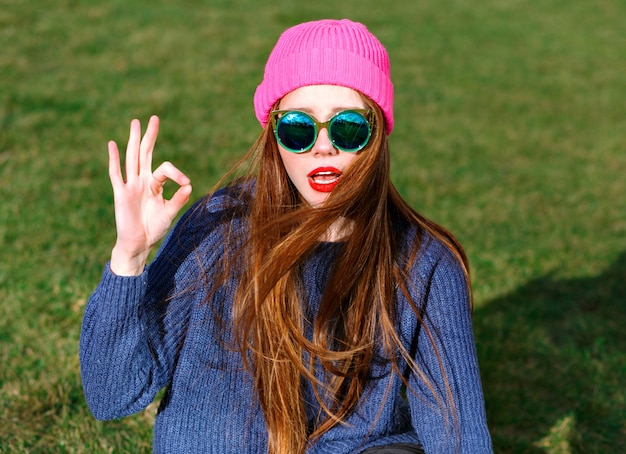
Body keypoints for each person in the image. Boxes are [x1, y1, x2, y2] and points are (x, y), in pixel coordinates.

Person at [79, 19, 493, 453]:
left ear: (377, 135)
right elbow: (113, 396)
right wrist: (129, 258)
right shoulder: (216, 228)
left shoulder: (422, 261)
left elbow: (458, 433)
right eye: (298, 127)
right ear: (274, 135)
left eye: (348, 126)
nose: (323, 146)